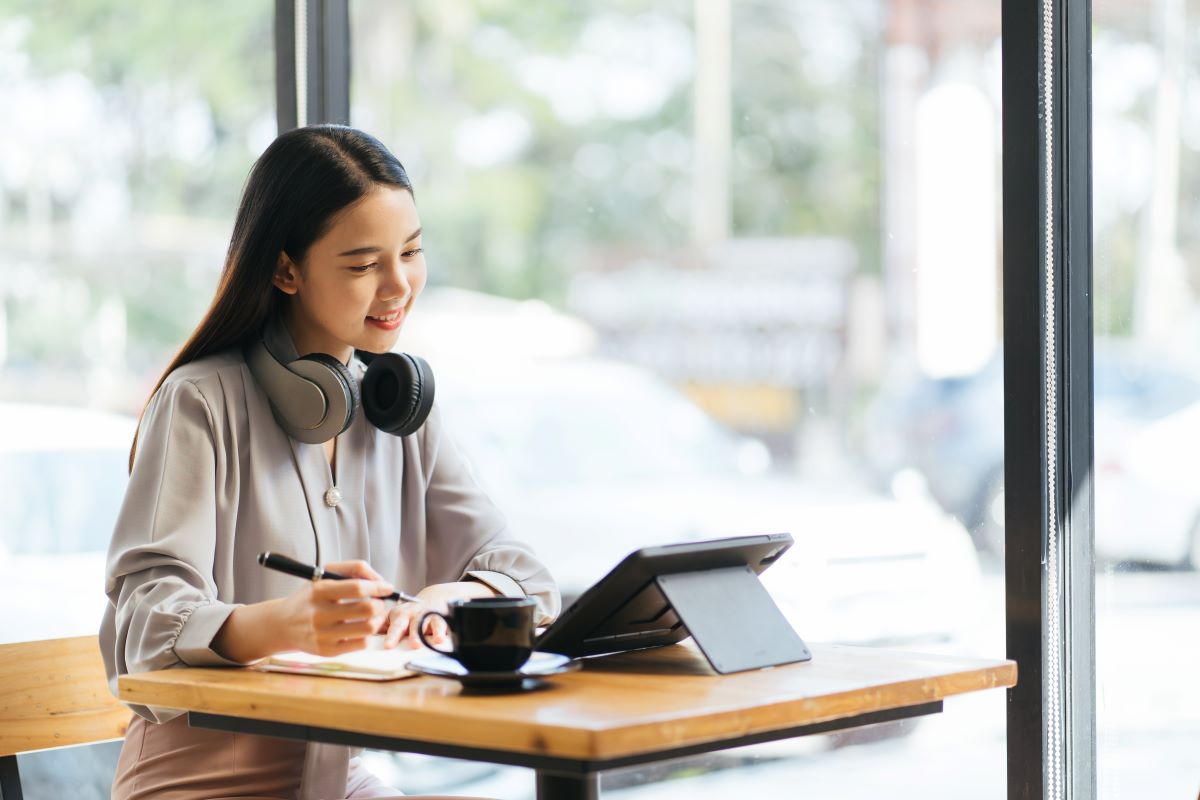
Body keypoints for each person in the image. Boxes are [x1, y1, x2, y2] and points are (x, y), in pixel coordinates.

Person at [99, 124, 560, 800]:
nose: (399, 284)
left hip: (336, 783)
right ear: (286, 269)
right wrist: (280, 625)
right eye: (363, 264)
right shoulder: (200, 401)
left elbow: (529, 581)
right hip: (195, 787)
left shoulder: (403, 410)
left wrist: (453, 599)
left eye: (411, 252)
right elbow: (143, 621)